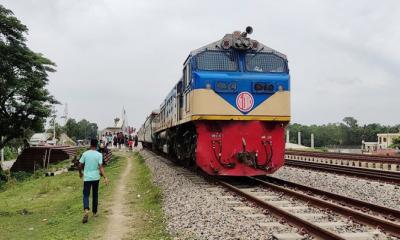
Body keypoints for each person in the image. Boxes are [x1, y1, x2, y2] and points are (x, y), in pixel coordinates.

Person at [78, 139, 109, 223]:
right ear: (97, 145)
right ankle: (94, 213)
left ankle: (86, 210)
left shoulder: (85, 154)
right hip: (96, 178)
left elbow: (80, 165)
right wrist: (105, 177)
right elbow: (101, 167)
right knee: (95, 195)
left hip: (87, 178)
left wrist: (80, 173)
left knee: (86, 195)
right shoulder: (99, 155)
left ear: (90, 145)